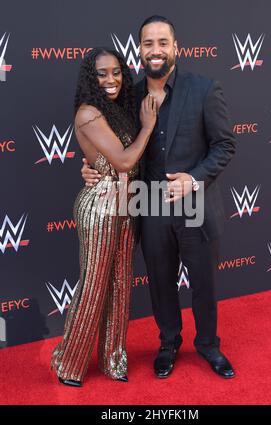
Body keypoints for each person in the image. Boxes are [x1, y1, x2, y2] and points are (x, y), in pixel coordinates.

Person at [82, 16, 237, 379]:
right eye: (148, 43)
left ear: (175, 48)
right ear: (140, 50)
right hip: (147, 203)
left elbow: (225, 144)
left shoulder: (204, 89)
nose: (156, 50)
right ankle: (168, 342)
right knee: (160, 279)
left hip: (195, 202)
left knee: (203, 280)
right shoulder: (128, 96)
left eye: (162, 43)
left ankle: (209, 345)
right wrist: (91, 169)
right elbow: (113, 148)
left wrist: (194, 179)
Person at [51, 47, 157, 387]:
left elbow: (119, 163)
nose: (111, 79)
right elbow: (124, 161)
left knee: (121, 284)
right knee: (95, 284)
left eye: (116, 72)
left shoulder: (116, 110)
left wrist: (91, 165)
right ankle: (70, 363)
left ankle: (113, 359)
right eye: (102, 73)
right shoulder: (88, 112)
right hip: (100, 205)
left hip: (128, 204)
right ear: (90, 79)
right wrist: (148, 126)